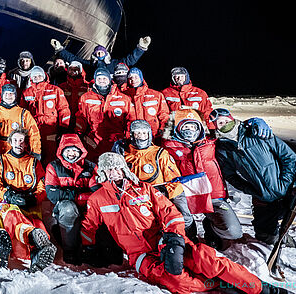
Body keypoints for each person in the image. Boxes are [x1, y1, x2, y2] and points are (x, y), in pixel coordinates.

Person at [81, 152, 280, 294]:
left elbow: (170, 212)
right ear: (104, 173)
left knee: (206, 260)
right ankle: (219, 284)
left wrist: (175, 237)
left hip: (165, 240)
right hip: (140, 254)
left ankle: (263, 289)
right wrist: (86, 248)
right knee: (178, 283)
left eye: (117, 168)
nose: (115, 172)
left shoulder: (144, 189)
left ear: (124, 169)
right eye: (110, 169)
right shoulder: (98, 199)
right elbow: (89, 226)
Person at [212, 108, 296, 284]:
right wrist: (253, 190)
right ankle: (284, 238)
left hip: (292, 189)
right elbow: (231, 176)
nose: (223, 125)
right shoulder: (223, 149)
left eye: (225, 120)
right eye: (218, 123)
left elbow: (289, 158)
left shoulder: (258, 133)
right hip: (265, 199)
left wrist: (286, 182)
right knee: (264, 237)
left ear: (232, 118)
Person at [161, 110, 242, 248]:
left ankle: (211, 228)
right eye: (185, 127)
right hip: (185, 195)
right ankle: (190, 237)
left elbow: (233, 131)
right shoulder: (168, 147)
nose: (189, 130)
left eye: (193, 127)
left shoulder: (212, 142)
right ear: (178, 128)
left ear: (199, 128)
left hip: (213, 195)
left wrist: (254, 124)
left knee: (233, 231)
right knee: (182, 220)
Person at [0, 127, 55, 271]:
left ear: (26, 144)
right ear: (10, 142)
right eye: (15, 140)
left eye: (21, 141)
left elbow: (42, 185)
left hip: (29, 202)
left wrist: (34, 198)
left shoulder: (34, 162)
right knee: (14, 217)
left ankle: (39, 257)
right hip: (8, 202)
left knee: (38, 225)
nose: (18, 143)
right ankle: (31, 236)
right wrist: (8, 196)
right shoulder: (2, 160)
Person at [114, 120, 194, 239]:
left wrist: (164, 194)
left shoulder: (160, 154)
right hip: (138, 197)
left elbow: (174, 181)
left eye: (144, 133)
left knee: (183, 218)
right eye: (137, 133)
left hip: (162, 194)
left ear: (149, 134)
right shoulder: (125, 155)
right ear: (132, 135)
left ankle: (189, 239)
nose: (141, 136)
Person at [44, 134, 97, 264]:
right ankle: (69, 251)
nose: (71, 154)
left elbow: (97, 191)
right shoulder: (54, 167)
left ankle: (90, 248)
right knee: (68, 209)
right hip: (64, 207)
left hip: (88, 205)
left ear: (80, 151)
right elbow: (52, 194)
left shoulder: (90, 166)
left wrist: (78, 196)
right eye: (68, 150)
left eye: (74, 150)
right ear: (61, 151)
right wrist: (77, 196)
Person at [75, 68, 133, 160]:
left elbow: (131, 119)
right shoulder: (85, 98)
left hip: (117, 140)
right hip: (94, 140)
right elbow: (81, 117)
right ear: (95, 80)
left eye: (104, 78)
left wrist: (128, 137)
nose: (102, 81)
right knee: (96, 164)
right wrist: (79, 133)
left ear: (109, 80)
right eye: (99, 78)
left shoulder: (124, 98)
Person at [0, 83, 41, 162]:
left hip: (18, 150)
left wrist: (35, 151)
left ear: (15, 96)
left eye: (11, 93)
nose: (9, 96)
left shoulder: (24, 114)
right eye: (6, 93)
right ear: (2, 95)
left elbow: (34, 134)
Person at [21, 65, 70, 163]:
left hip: (51, 129)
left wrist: (63, 126)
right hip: (33, 129)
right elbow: (22, 113)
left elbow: (64, 109)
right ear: (31, 78)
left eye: (39, 76)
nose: (37, 78)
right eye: (35, 76)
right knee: (33, 155)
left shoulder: (55, 90)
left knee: (51, 155)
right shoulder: (26, 93)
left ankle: (49, 172)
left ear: (44, 76)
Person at [50, 36, 151, 77]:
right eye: (97, 53)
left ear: (106, 54)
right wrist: (60, 49)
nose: (99, 55)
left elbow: (130, 60)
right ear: (94, 55)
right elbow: (73, 59)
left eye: (101, 53)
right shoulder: (90, 65)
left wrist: (141, 48)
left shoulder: (114, 64)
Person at [123, 67, 169, 138]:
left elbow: (164, 115)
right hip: (132, 136)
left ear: (141, 78)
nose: (133, 80)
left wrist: (163, 130)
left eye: (136, 77)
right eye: (130, 78)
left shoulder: (156, 95)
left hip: (153, 135)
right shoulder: (124, 96)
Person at [58, 61, 90, 127]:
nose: (73, 71)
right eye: (71, 69)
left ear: (80, 71)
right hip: (65, 121)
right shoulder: (61, 87)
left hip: (82, 122)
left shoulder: (87, 87)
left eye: (76, 69)